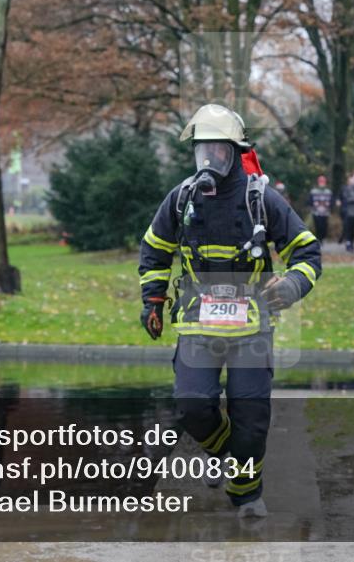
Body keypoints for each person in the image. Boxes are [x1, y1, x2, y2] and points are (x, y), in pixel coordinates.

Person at [138, 104, 321, 518]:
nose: (208, 159)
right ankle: (223, 451)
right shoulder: (182, 199)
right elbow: (155, 250)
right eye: (201, 151)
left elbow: (307, 252)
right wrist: (153, 300)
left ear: (235, 152)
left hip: (251, 328)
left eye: (217, 151)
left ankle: (246, 494)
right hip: (197, 323)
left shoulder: (261, 200)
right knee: (191, 405)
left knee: (251, 416)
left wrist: (292, 285)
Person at [307, 175, 333, 245]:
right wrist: (313, 205)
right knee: (318, 226)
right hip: (316, 212)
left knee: (324, 226)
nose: (322, 183)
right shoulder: (313, 191)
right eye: (320, 181)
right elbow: (309, 201)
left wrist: (328, 206)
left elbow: (331, 202)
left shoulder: (328, 192)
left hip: (325, 213)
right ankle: (319, 239)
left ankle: (323, 238)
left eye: (323, 182)